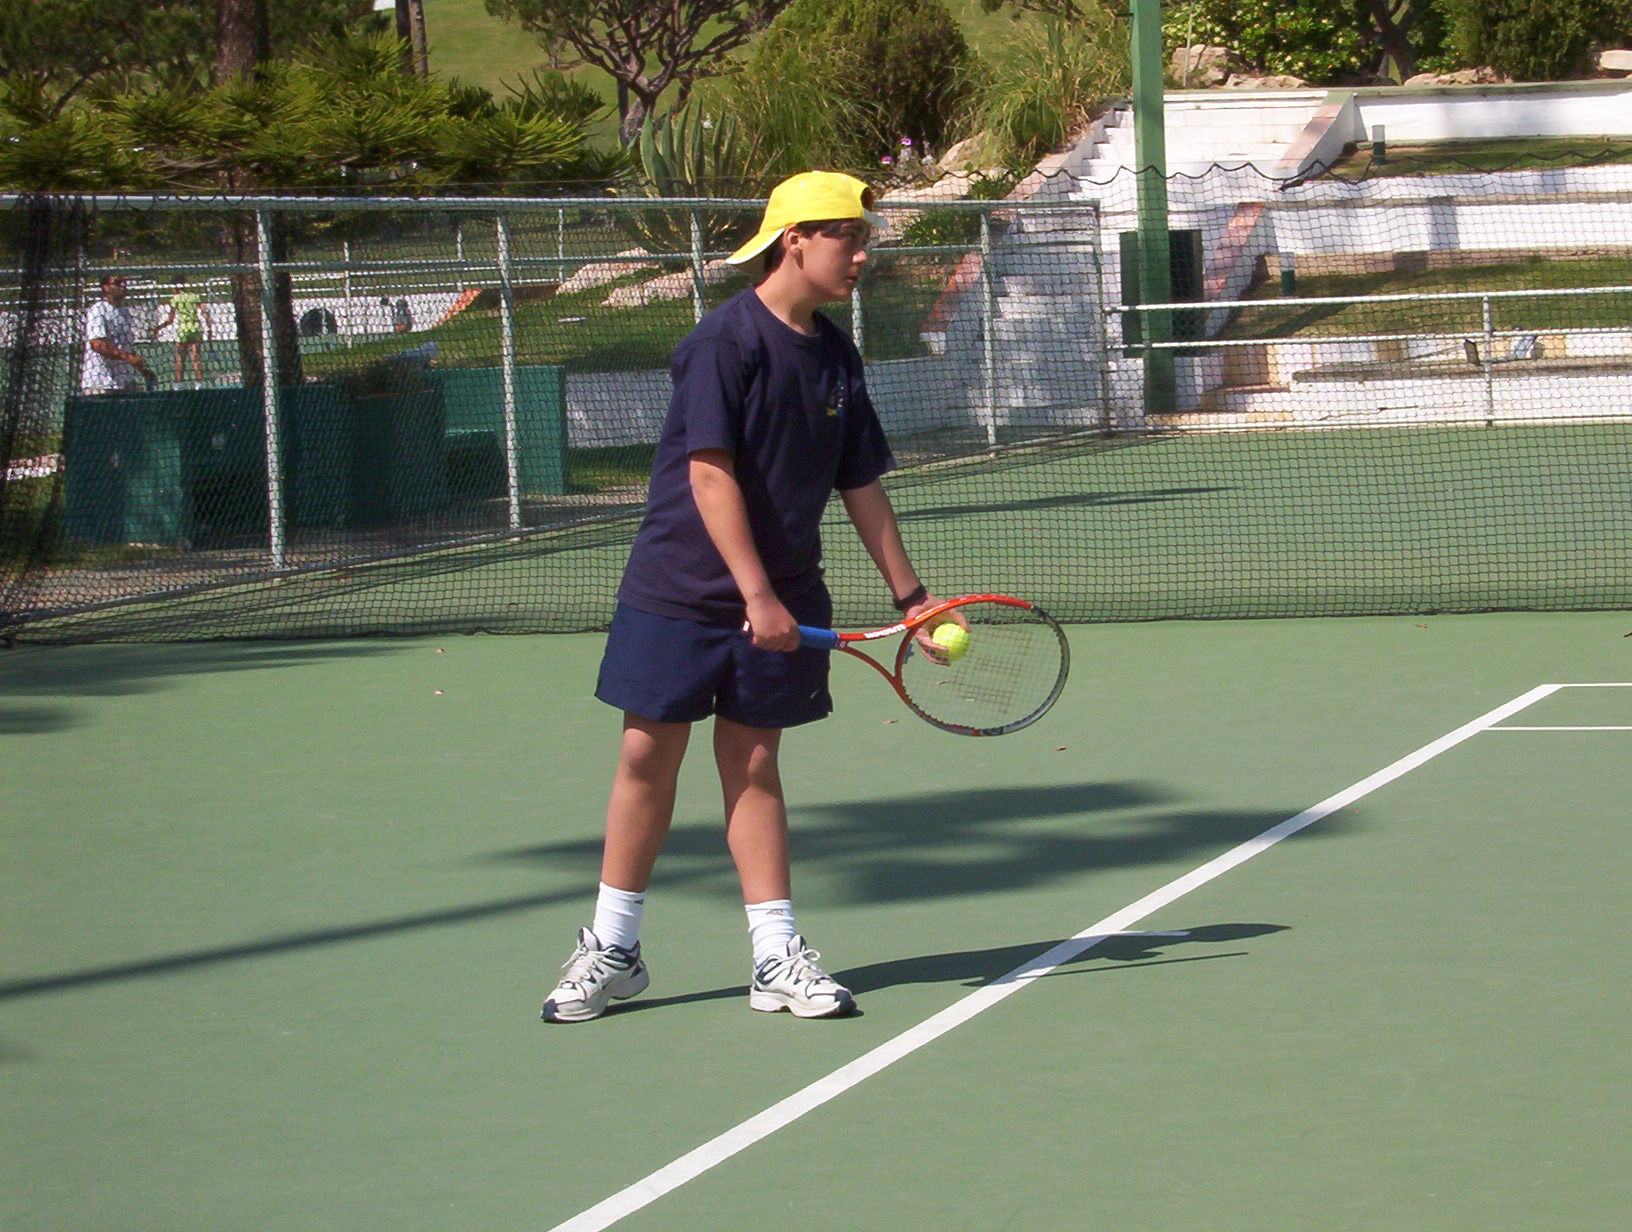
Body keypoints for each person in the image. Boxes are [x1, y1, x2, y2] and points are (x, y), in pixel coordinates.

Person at [541, 171, 947, 1024]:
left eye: (863, 238)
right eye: (847, 237)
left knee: (755, 764)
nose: (862, 255)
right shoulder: (723, 343)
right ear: (795, 239)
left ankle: (775, 956)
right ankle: (613, 947)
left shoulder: (836, 356)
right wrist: (755, 594)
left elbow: (860, 483)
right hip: (680, 591)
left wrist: (913, 598)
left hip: (787, 596)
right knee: (647, 756)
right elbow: (708, 473)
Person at [83, 274, 153, 394]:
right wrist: (128, 357)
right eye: (117, 283)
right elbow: (98, 345)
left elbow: (124, 347)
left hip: (123, 382)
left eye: (124, 283)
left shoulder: (125, 312)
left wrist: (142, 369)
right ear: (106, 287)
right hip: (102, 383)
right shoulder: (98, 309)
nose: (123, 286)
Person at [150, 275, 211, 384]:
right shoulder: (194, 296)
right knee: (196, 358)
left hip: (183, 330)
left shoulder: (176, 299)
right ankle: (199, 384)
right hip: (196, 328)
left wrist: (158, 328)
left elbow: (170, 320)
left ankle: (178, 384)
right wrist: (209, 327)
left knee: (180, 358)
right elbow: (204, 312)